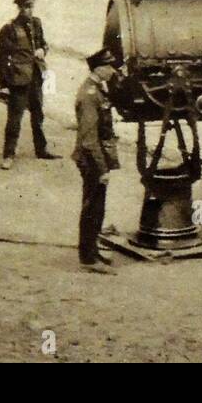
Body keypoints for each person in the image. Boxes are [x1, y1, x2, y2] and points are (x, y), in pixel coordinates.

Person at [0, 0, 58, 168]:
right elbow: (0, 58)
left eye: (31, 7)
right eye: (27, 7)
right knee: (14, 119)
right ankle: (8, 155)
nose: (29, 10)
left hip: (36, 77)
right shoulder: (9, 29)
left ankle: (41, 149)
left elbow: (44, 44)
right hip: (19, 80)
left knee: (38, 116)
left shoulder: (36, 24)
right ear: (20, 8)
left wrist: (43, 51)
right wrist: (5, 82)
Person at [72, 48, 120, 274]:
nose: (112, 70)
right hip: (91, 159)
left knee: (97, 207)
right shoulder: (90, 96)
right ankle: (88, 258)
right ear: (99, 68)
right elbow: (90, 140)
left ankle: (92, 250)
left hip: (95, 157)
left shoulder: (97, 90)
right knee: (92, 208)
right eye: (109, 66)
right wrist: (103, 169)